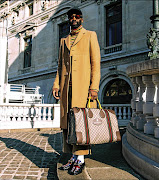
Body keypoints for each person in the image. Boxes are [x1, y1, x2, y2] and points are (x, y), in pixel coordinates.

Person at [52, 7, 101, 175]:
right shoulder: (63, 40)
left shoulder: (90, 36)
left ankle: (80, 159)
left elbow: (96, 63)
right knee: (68, 124)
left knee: (81, 124)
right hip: (67, 90)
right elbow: (60, 66)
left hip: (83, 89)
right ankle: (73, 157)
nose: (74, 19)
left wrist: (94, 87)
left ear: (82, 19)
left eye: (77, 16)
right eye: (71, 17)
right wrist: (56, 84)